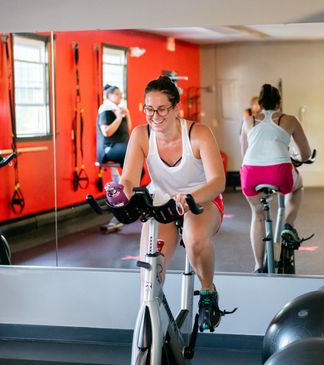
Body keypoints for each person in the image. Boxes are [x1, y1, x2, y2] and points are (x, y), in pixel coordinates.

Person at [119, 75, 226, 331]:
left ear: (177, 108)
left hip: (201, 200)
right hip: (161, 202)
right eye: (149, 109)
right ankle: (154, 326)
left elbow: (218, 182)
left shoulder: (198, 133)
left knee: (195, 238)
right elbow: (129, 179)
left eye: (162, 109)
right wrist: (120, 194)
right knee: (149, 271)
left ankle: (208, 292)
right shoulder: (141, 135)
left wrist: (190, 199)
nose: (155, 116)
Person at [240, 83, 312, 273]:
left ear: (260, 103)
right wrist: (295, 158)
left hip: (250, 173)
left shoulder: (248, 121)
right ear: (279, 103)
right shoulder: (290, 120)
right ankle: (288, 225)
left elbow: (244, 153)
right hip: (279, 172)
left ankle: (258, 265)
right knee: (297, 187)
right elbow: (305, 155)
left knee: (257, 214)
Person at [97, 84, 132, 167]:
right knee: (130, 152)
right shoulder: (105, 109)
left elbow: (128, 128)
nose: (121, 96)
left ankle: (126, 179)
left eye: (121, 94)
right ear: (109, 95)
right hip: (109, 148)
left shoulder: (119, 109)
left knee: (139, 171)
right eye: (117, 94)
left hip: (122, 146)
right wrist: (119, 118)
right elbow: (106, 132)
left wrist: (127, 114)